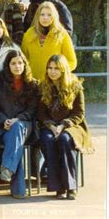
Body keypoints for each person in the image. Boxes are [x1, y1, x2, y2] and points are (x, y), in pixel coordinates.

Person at [38, 55, 93, 200]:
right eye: (50, 68)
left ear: (63, 70)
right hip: (49, 126)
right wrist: (50, 126)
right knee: (48, 140)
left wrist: (63, 125)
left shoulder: (75, 86)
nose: (53, 71)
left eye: (56, 68)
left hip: (72, 126)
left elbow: (79, 113)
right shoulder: (43, 86)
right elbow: (41, 114)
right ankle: (58, 187)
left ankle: (70, 186)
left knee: (64, 140)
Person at [0, 50, 39, 199]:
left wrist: (18, 119)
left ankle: (7, 168)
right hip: (2, 126)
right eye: (13, 63)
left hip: (25, 125)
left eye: (20, 62)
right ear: (7, 65)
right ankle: (18, 190)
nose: (17, 66)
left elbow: (32, 110)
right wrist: (3, 120)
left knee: (16, 130)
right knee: (14, 140)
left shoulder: (32, 83)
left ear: (24, 64)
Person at [21, 1, 77, 81]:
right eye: (42, 14)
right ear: (37, 16)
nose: (45, 18)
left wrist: (58, 73)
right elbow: (23, 60)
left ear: (54, 17)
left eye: (49, 15)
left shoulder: (62, 34)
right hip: (33, 84)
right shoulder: (29, 34)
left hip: (54, 84)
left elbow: (72, 61)